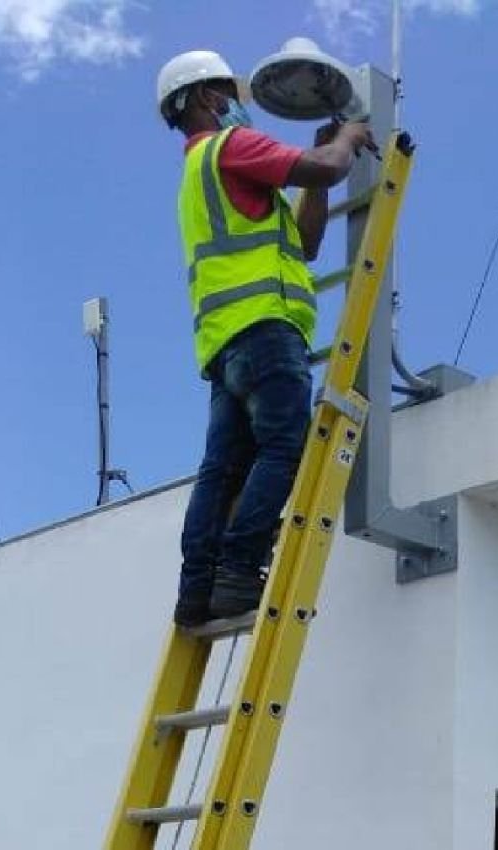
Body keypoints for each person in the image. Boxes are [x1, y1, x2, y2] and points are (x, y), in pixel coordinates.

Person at [156, 50, 373, 627]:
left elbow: (305, 244)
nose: (237, 106)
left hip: (225, 344)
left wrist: (321, 166)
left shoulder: (198, 172)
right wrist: (347, 138)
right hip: (265, 329)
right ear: (207, 98)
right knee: (285, 448)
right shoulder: (230, 147)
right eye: (228, 95)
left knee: (221, 473)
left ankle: (198, 591)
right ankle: (238, 570)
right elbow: (326, 167)